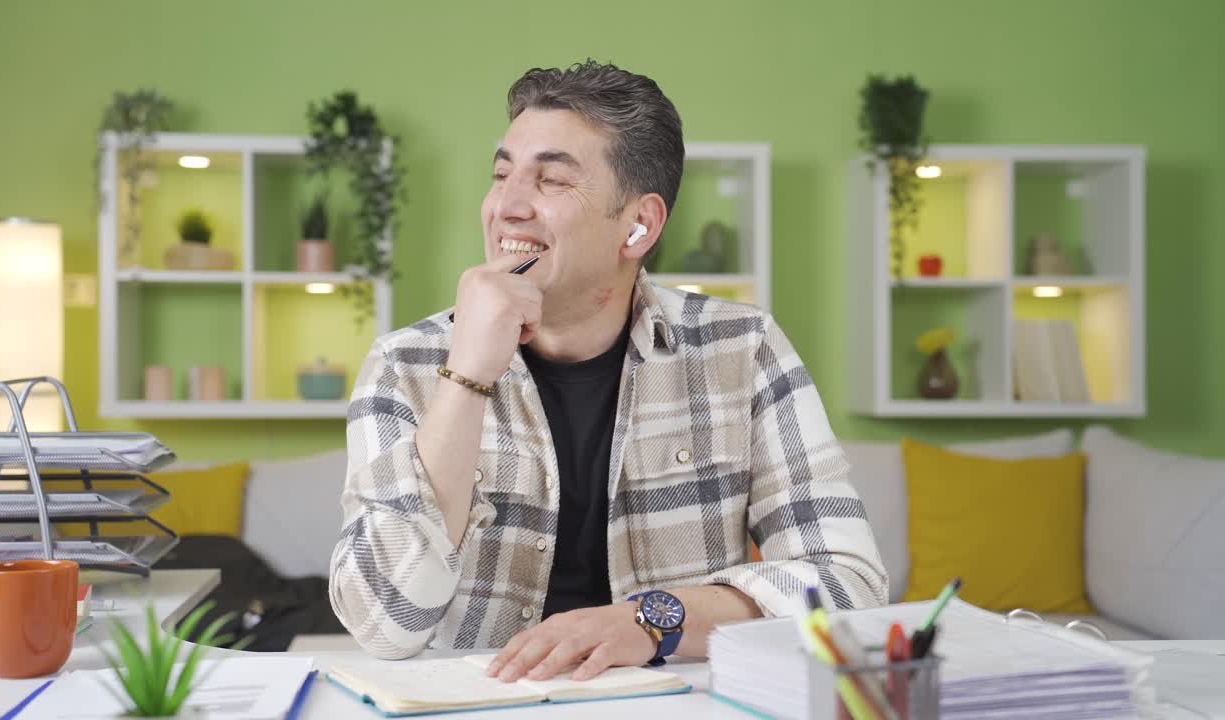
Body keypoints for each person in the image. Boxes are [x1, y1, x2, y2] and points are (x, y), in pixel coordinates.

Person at [330, 60, 886, 683]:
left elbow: (849, 582)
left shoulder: (742, 347)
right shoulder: (405, 364)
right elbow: (383, 623)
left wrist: (650, 623)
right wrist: (466, 376)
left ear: (639, 225)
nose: (506, 206)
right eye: (502, 173)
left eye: (551, 180)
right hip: (477, 703)